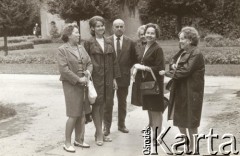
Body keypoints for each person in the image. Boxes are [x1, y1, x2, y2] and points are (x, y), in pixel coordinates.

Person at [159, 26, 205, 151]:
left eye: (183, 39)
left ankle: (193, 147)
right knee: (179, 118)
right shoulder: (182, 51)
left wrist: (168, 72)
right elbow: (173, 62)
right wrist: (173, 66)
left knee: (191, 120)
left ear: (190, 40)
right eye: (180, 38)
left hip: (191, 91)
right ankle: (185, 142)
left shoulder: (196, 53)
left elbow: (185, 70)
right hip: (179, 90)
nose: (180, 41)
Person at [84, 16, 121, 146]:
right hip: (96, 79)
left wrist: (115, 78)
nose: (101, 28)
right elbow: (85, 62)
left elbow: (115, 61)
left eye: (102, 25)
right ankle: (100, 134)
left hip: (109, 79)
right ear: (92, 28)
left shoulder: (109, 42)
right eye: (97, 26)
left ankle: (100, 132)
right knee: (97, 105)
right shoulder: (88, 43)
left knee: (106, 105)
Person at [57, 23, 92, 153]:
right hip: (71, 84)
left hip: (84, 83)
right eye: (76, 32)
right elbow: (64, 70)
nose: (78, 35)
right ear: (69, 35)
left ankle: (79, 139)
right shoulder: (62, 49)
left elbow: (89, 63)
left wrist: (88, 73)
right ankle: (67, 143)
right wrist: (78, 79)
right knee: (73, 114)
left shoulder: (81, 48)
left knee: (82, 113)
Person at [132, 23, 165, 144]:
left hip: (154, 84)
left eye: (152, 33)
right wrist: (137, 68)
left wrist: (143, 67)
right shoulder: (146, 46)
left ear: (156, 35)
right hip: (146, 83)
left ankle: (158, 136)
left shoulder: (157, 48)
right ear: (144, 34)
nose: (149, 35)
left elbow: (159, 68)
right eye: (148, 33)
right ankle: (154, 134)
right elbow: (142, 61)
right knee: (150, 110)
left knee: (156, 110)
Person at [103, 19, 136, 136]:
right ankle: (106, 127)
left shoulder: (130, 42)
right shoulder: (106, 41)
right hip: (109, 78)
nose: (119, 28)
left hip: (124, 77)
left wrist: (127, 69)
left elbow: (133, 59)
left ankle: (121, 125)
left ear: (124, 28)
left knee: (122, 103)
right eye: (117, 26)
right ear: (112, 28)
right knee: (108, 103)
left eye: (121, 26)